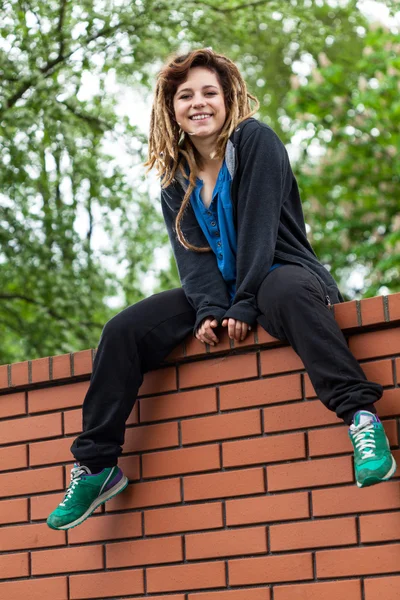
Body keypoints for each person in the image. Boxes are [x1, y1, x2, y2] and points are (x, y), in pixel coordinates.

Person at [47, 48, 396, 531]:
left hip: (283, 274)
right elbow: (192, 259)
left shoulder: (256, 142)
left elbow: (259, 231)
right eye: (185, 95)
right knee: (123, 330)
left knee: (288, 293)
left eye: (209, 92)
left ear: (228, 98)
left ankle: (362, 419)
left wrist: (245, 302)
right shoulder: (175, 177)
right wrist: (209, 309)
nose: (199, 103)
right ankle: (96, 466)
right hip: (229, 289)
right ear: (171, 108)